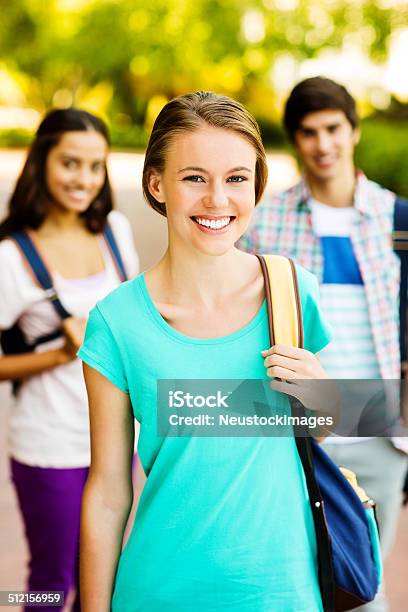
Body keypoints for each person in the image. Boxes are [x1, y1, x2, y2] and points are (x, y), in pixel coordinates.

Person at [78, 91, 333, 612]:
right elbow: (107, 491)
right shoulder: (116, 322)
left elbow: (327, 428)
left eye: (237, 178)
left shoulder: (292, 291)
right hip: (157, 592)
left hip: (282, 593)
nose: (218, 199)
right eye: (195, 177)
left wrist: (324, 396)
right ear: (157, 183)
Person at [238, 76, 408, 611]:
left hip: (380, 427)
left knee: (363, 586)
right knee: (292, 581)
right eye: (308, 132)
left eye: (333, 127)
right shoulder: (263, 221)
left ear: (354, 131)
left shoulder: (398, 219)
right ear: (294, 140)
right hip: (299, 429)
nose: (322, 143)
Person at [0, 108, 139, 611]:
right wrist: (59, 353)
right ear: (41, 162)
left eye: (94, 166)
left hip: (115, 443)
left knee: (103, 581)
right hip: (49, 446)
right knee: (48, 586)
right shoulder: (11, 256)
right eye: (69, 163)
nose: (83, 179)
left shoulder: (115, 232)